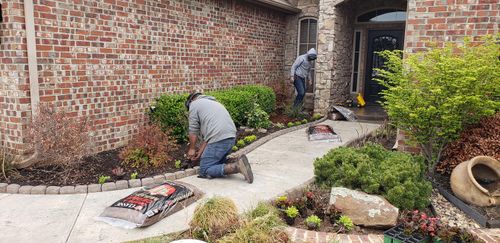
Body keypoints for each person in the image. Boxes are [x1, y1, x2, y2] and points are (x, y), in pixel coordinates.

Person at [185, 92, 254, 183]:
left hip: (219, 138)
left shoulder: (194, 104)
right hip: (230, 137)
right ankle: (238, 161)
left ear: (190, 101)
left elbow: (193, 130)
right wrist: (200, 153)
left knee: (205, 169)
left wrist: (192, 149)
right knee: (217, 163)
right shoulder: (213, 103)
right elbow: (208, 137)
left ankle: (237, 166)